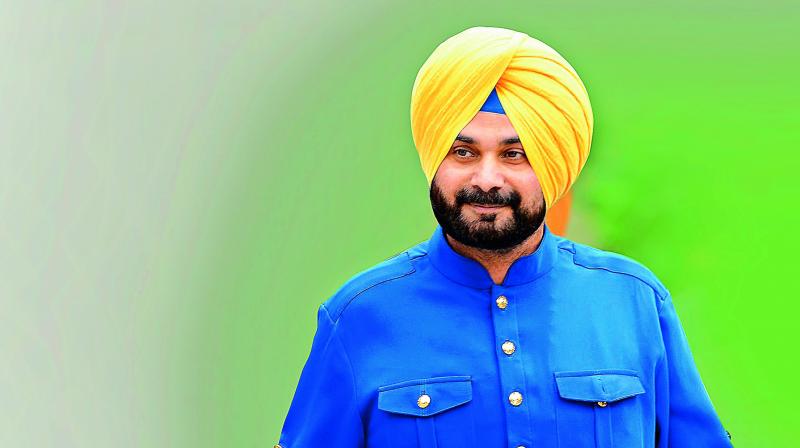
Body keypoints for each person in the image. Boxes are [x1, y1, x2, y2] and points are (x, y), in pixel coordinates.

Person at [274, 26, 733, 448]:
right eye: (463, 151)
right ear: (435, 160)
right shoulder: (358, 316)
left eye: (515, 154)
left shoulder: (635, 301)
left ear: (551, 166)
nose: (487, 179)